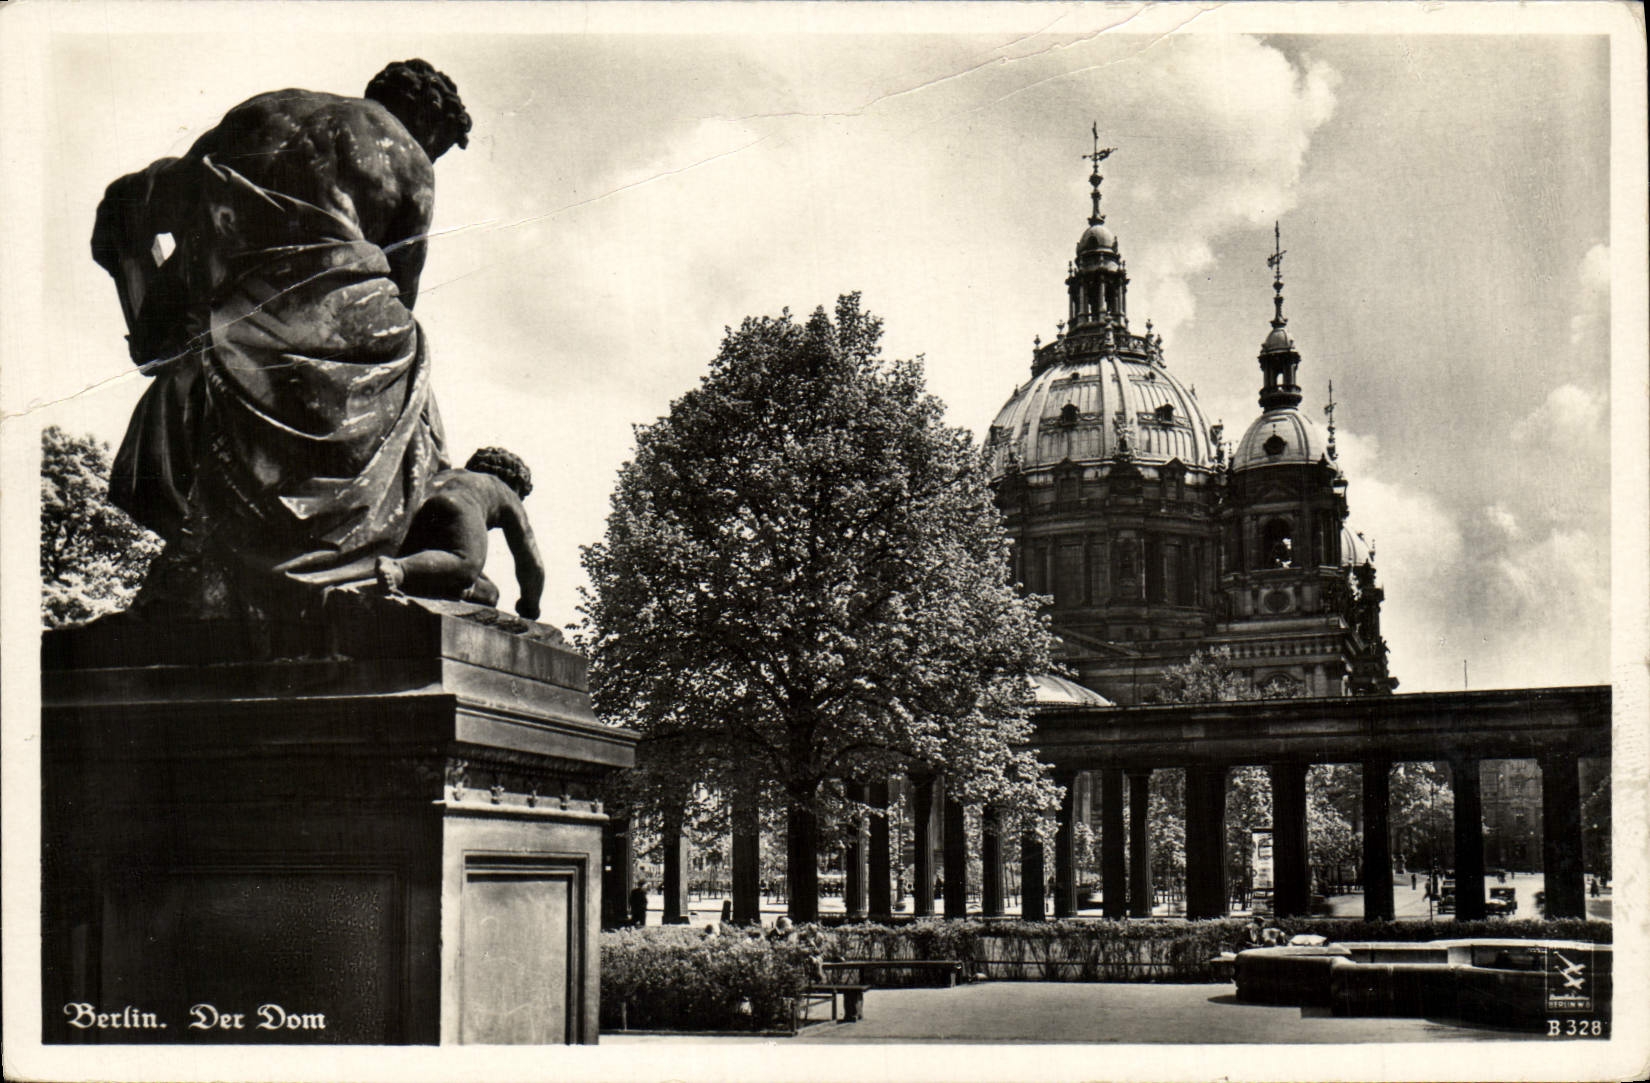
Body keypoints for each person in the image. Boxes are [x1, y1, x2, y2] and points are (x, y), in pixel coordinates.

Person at [91, 60, 472, 615]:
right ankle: (377, 561)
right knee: (412, 370)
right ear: (429, 121)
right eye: (438, 146)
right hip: (340, 326)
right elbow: (403, 282)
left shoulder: (266, 109)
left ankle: (216, 566)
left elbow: (145, 203)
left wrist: (150, 310)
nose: (431, 156)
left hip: (234, 321)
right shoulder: (408, 154)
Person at [369, 447, 545, 619]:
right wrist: (530, 604)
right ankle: (399, 568)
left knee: (489, 593)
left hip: (419, 515)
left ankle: (417, 575)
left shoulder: (448, 476)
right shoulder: (504, 490)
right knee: (467, 562)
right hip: (458, 506)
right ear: (516, 485)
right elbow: (532, 563)